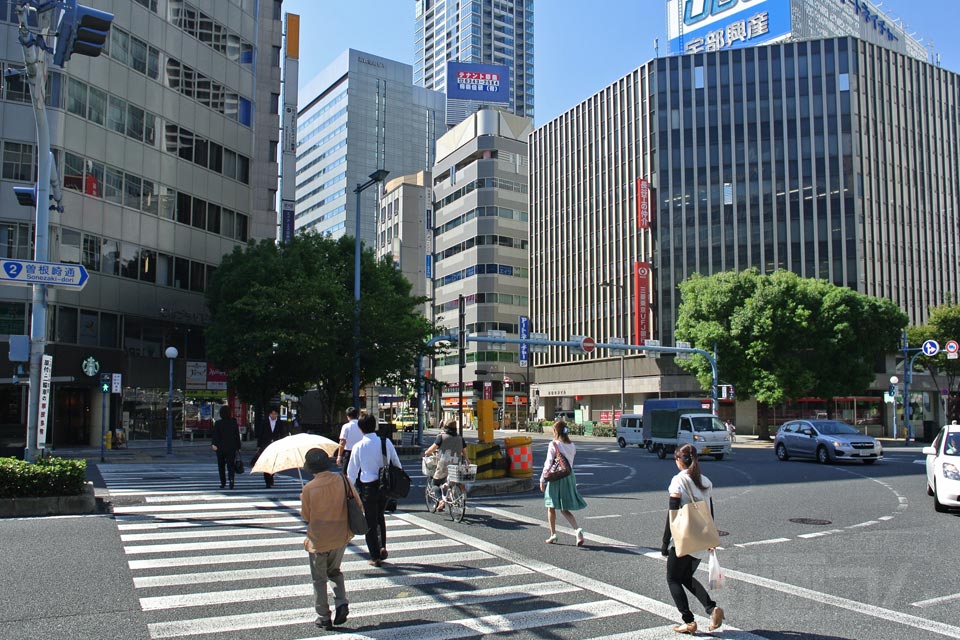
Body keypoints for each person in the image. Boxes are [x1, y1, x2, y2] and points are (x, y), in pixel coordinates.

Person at [660, 444, 724, 635]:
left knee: (672, 578)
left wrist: (665, 542)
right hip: (701, 537)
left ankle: (688, 621)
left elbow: (671, 514)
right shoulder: (705, 481)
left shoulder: (678, 481)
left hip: (684, 537)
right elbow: (709, 512)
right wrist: (710, 539)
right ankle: (712, 609)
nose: (675, 462)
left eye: (676, 458)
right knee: (686, 577)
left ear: (680, 460)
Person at [300, 448, 356, 631]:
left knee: (319, 578)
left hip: (318, 539)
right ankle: (341, 602)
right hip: (340, 535)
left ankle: (324, 616)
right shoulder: (342, 480)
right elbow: (358, 504)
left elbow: (306, 517)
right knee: (335, 571)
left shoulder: (309, 488)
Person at [346, 413, 401, 566]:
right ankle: (382, 546)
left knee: (370, 520)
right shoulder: (386, 442)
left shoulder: (358, 446)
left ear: (360, 428)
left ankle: (375, 555)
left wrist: (349, 491)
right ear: (375, 425)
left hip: (368, 487)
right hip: (385, 486)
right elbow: (397, 463)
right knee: (380, 516)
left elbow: (351, 472)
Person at [539, 419, 587, 546]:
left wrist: (542, 479)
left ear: (556, 431)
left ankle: (553, 534)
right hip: (569, 477)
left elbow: (548, 463)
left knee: (551, 506)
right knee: (564, 508)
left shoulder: (554, 444)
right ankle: (577, 530)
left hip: (556, 477)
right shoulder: (572, 445)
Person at [423, 420, 469, 511]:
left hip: (444, 466)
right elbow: (465, 452)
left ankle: (441, 501)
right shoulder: (460, 438)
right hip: (456, 465)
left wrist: (426, 452)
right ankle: (452, 495)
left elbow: (432, 449)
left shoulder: (441, 437)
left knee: (435, 483)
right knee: (452, 481)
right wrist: (468, 461)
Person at [255, 407, 288, 488]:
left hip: (276, 445)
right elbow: (260, 434)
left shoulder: (279, 422)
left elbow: (282, 433)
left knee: (273, 463)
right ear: (269, 414)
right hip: (265, 445)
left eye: (275, 414)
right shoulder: (265, 422)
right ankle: (267, 481)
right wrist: (259, 446)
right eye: (272, 413)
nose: (274, 415)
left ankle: (271, 477)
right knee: (266, 463)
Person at [211, 405, 241, 489]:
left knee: (221, 466)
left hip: (220, 448)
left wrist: (214, 444)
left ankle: (223, 482)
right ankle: (231, 480)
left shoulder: (218, 423)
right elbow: (237, 436)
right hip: (231, 447)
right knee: (230, 465)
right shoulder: (233, 422)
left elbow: (215, 436)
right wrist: (238, 447)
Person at [337, 407, 362, 473]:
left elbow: (342, 441)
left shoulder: (346, 426)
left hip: (349, 453)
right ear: (357, 415)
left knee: (346, 474)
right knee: (359, 473)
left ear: (348, 416)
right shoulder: (362, 425)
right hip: (361, 452)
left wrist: (339, 456)